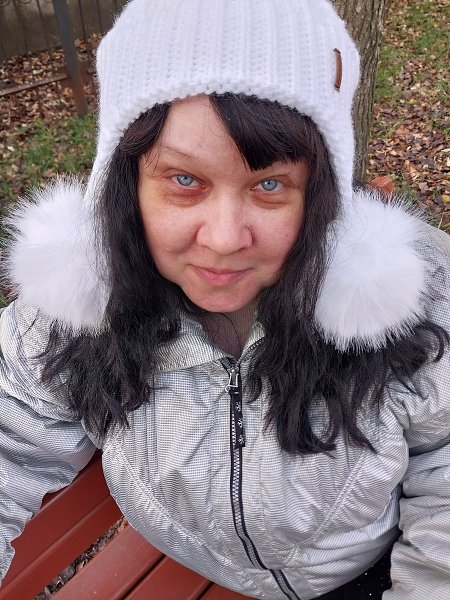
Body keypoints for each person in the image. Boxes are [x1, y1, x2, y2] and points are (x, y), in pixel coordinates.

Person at [0, 0, 449, 598]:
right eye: (184, 180)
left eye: (270, 184)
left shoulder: (417, 301)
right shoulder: (75, 301)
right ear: (125, 182)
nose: (223, 239)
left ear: (319, 193)